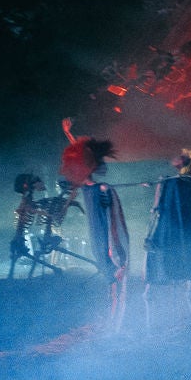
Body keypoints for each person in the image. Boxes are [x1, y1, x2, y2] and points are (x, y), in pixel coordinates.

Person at [61, 119, 129, 329]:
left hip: (105, 239)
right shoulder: (88, 187)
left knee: (113, 274)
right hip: (97, 239)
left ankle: (116, 318)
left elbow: (112, 221)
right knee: (107, 271)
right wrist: (68, 134)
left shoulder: (101, 189)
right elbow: (80, 157)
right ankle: (113, 313)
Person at [144, 138, 191, 323]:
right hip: (180, 236)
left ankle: (176, 319)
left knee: (178, 275)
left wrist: (162, 185)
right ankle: (171, 319)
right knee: (179, 276)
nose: (176, 160)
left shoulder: (186, 184)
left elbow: (160, 209)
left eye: (182, 158)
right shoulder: (187, 184)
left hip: (177, 237)